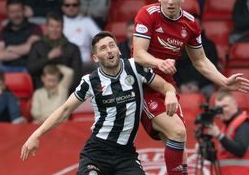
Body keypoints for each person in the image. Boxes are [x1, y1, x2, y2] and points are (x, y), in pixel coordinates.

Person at [133, 0, 249, 175]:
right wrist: (159, 62)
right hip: (142, 80)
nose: (170, 1)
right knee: (178, 132)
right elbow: (138, 54)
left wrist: (223, 80)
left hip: (167, 82)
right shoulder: (147, 14)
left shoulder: (190, 23)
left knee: (179, 143)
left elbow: (200, 61)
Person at [21, 31, 179, 175]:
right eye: (103, 48)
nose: (109, 50)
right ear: (95, 57)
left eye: (112, 45)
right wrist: (36, 134)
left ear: (118, 50)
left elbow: (165, 86)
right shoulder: (90, 81)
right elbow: (64, 111)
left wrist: (170, 93)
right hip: (97, 152)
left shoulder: (134, 67)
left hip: (126, 154)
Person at [206, 90, 249, 175]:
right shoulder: (226, 128)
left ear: (235, 104)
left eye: (225, 106)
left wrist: (219, 136)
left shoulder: (244, 122)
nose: (222, 111)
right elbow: (222, 157)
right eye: (218, 108)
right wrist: (204, 152)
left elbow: (240, 150)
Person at [27, 11, 82, 92]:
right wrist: (48, 57)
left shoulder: (73, 48)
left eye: (58, 26)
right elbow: (31, 69)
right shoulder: (37, 45)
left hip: (65, 93)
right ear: (46, 27)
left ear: (62, 28)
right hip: (42, 92)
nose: (54, 30)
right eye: (51, 26)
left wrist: (62, 92)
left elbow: (77, 77)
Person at [174, 14, 218, 99]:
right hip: (182, 85)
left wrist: (198, 85)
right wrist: (181, 85)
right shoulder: (178, 46)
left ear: (201, 27)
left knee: (211, 93)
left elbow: (212, 69)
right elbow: (174, 69)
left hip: (203, 85)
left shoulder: (210, 46)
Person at [0, 0, 42, 73]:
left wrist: (10, 48)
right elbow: (0, 56)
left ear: (23, 11)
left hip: (26, 68)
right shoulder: (3, 31)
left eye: (18, 11)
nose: (16, 15)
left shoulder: (34, 28)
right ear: (7, 13)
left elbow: (30, 48)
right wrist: (22, 52)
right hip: (5, 68)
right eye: (12, 12)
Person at [61, 0, 101, 73]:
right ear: (63, 7)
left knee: (103, 65)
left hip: (84, 62)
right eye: (67, 5)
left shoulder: (86, 21)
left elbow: (101, 38)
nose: (71, 7)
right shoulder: (58, 22)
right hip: (64, 60)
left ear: (79, 7)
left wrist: (95, 56)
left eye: (74, 5)